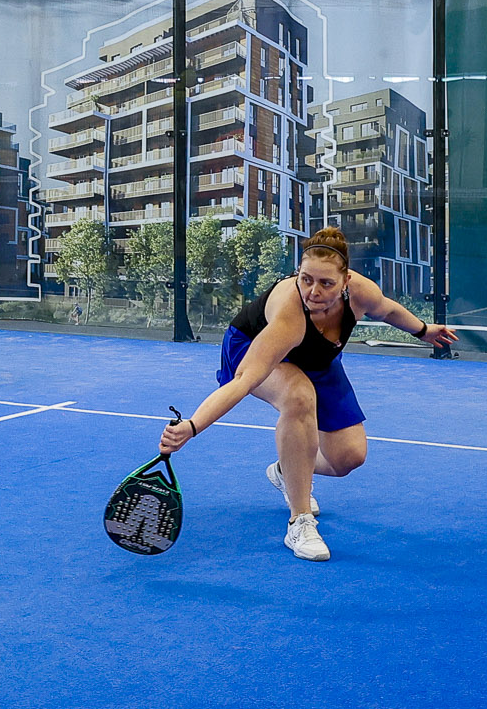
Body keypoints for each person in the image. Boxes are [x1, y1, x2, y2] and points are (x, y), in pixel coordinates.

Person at [158, 226, 457, 562]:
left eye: (326, 283)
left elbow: (386, 310)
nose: (313, 291)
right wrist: (193, 426)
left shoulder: (361, 293)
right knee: (298, 396)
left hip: (317, 357)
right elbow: (243, 380)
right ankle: (299, 521)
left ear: (346, 282)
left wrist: (423, 330)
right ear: (298, 273)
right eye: (306, 279)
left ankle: (286, 470)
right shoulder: (289, 315)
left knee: (348, 458)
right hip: (252, 349)